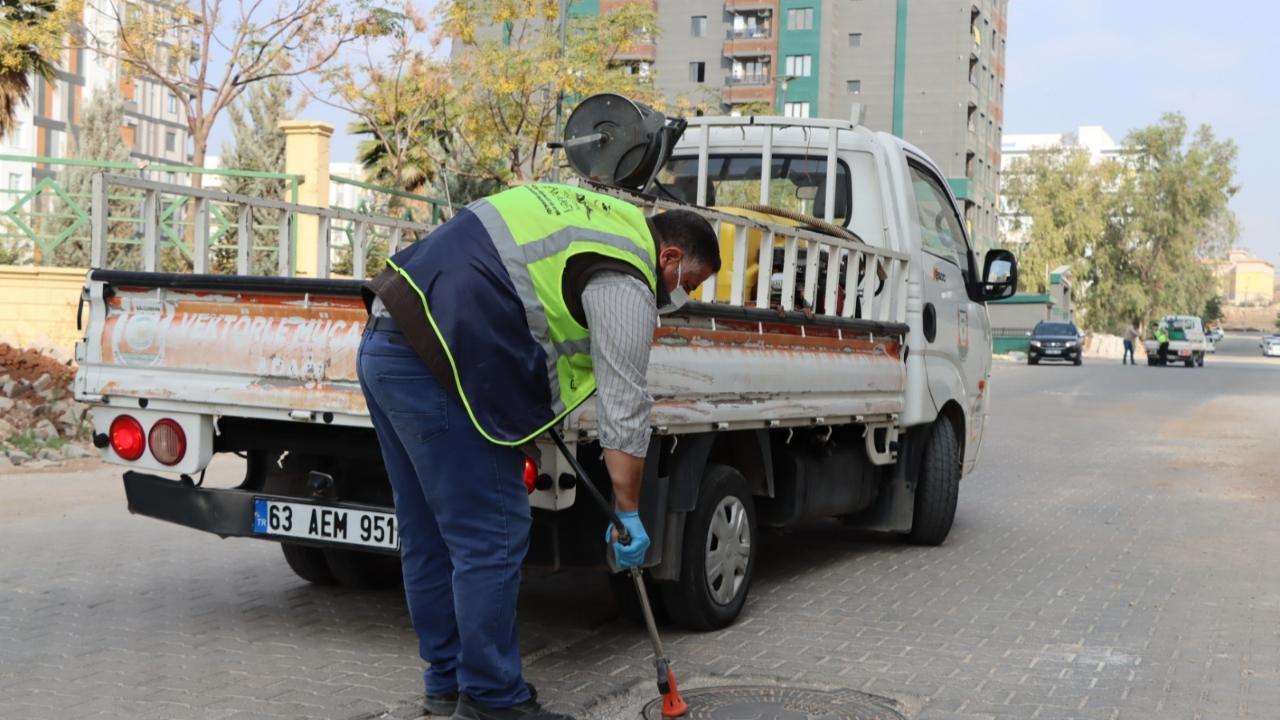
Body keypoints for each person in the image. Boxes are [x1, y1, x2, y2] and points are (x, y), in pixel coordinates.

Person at [357, 183, 721, 720]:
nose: (680, 295)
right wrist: (628, 512)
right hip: (442, 364)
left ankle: (447, 687)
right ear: (668, 255)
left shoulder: (596, 218)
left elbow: (522, 296)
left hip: (387, 341)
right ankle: (491, 699)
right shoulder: (626, 271)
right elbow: (625, 404)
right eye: (687, 282)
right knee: (491, 536)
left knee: (429, 536)